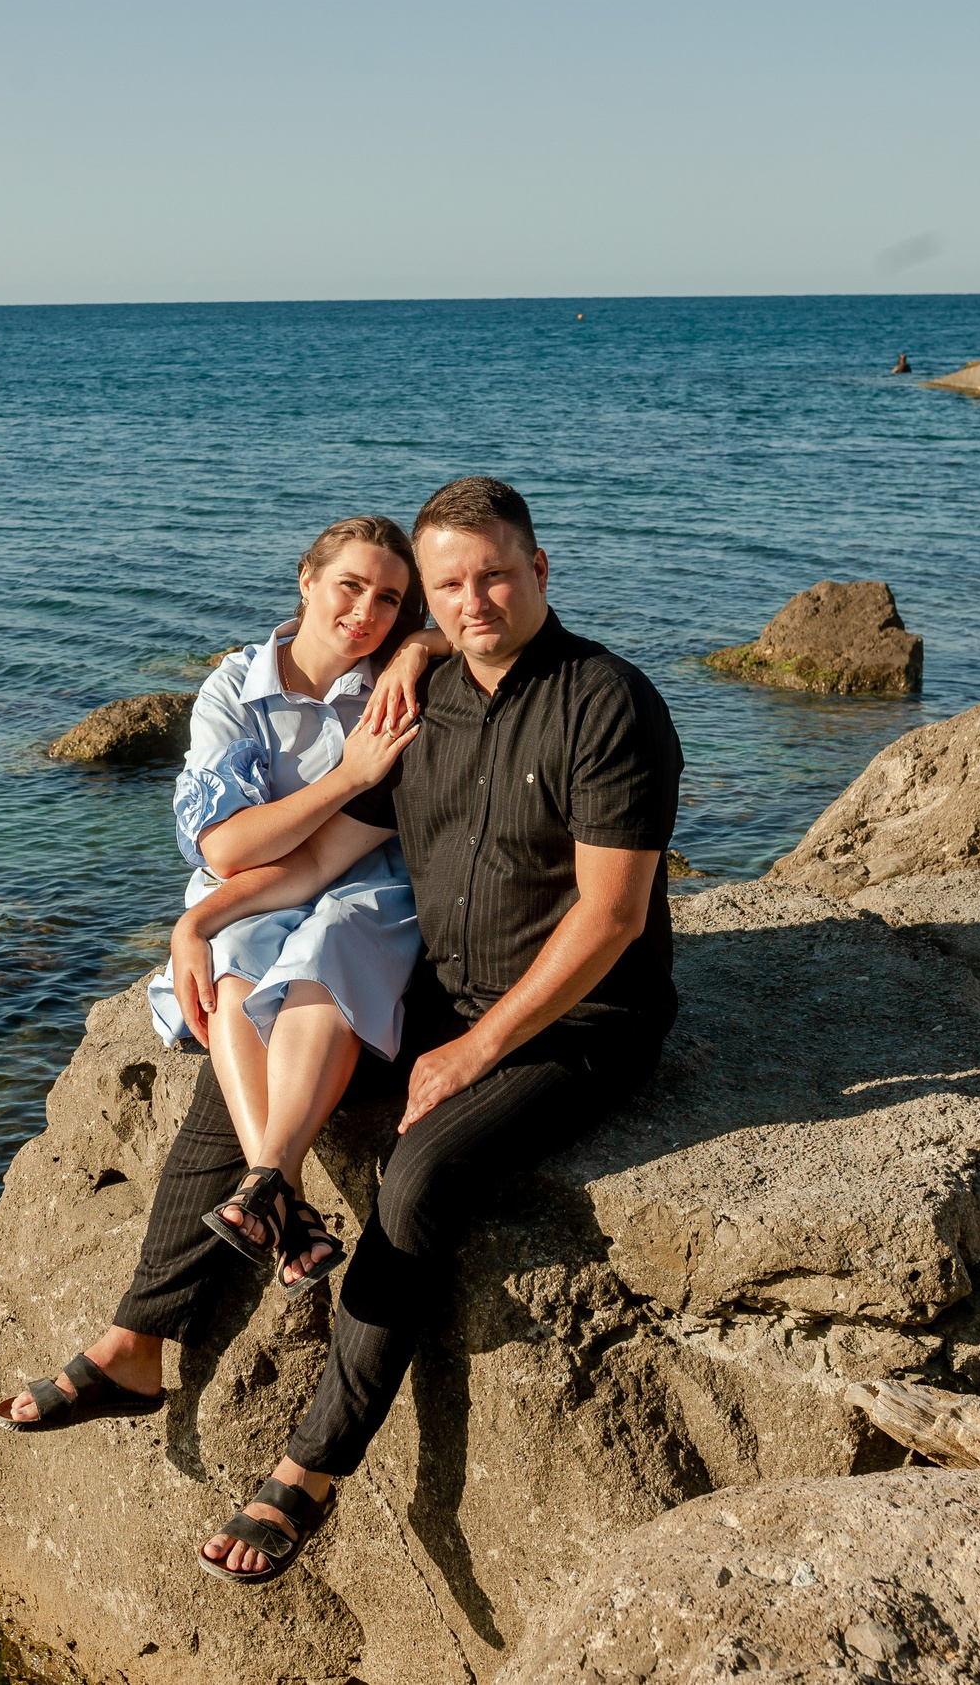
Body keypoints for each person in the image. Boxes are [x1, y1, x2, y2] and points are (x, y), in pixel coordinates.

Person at [166, 476, 682, 1583]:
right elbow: (317, 859)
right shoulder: (417, 704)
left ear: (539, 571)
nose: (472, 600)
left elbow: (612, 916)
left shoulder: (609, 703)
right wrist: (199, 923)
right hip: (443, 995)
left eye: (493, 574)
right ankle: (161, 1307)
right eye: (447, 585)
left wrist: (473, 1049)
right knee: (248, 1029)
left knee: (416, 1174)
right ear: (423, 609)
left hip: (580, 1021)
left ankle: (310, 1467)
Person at [0, 514, 448, 1434]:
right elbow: (226, 844)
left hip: (353, 889)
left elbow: (470, 628)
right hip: (247, 903)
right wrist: (344, 773)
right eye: (348, 586)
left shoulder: (401, 679)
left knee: (316, 952)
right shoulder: (237, 686)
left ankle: (165, 1306)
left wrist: (417, 648)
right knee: (240, 969)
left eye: (389, 598)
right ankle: (248, 1221)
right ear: (306, 580)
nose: (365, 611)